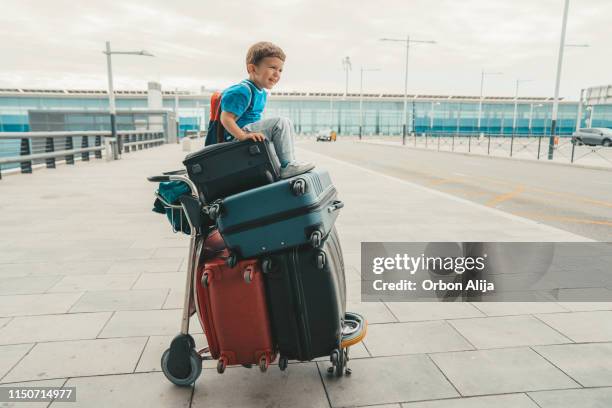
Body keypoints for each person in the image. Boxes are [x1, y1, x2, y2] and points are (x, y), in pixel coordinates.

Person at [219, 41, 315, 179]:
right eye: (272, 67)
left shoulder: (261, 92)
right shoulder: (242, 91)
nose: (277, 74)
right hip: (236, 139)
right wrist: (242, 136)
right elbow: (226, 118)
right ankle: (288, 166)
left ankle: (288, 164)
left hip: (247, 134)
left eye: (280, 70)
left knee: (285, 123)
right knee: (280, 123)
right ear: (252, 69)